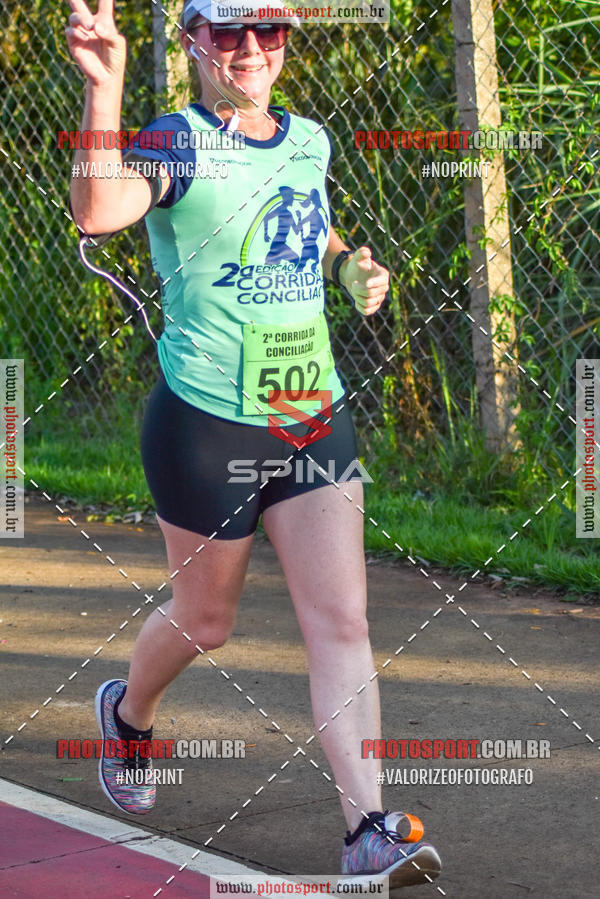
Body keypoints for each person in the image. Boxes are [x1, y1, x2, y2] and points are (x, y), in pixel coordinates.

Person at [66, 0, 441, 886]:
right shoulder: (173, 141)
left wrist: (349, 264)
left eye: (266, 31)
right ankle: (127, 713)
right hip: (206, 424)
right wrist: (104, 86)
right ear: (195, 39)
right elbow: (97, 209)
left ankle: (368, 830)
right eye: (227, 31)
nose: (249, 49)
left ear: (284, 41)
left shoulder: (309, 139)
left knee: (342, 620)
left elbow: (305, 224)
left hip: (313, 411)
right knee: (208, 621)